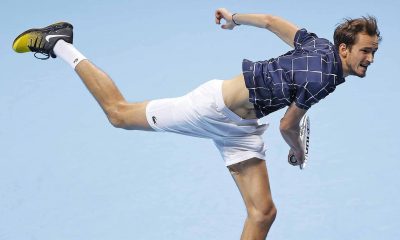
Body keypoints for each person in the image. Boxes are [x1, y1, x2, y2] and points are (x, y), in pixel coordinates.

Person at [12, 7, 381, 240]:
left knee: (263, 213)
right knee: (118, 113)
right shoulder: (323, 80)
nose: (370, 59)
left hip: (243, 130)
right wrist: (297, 153)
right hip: (213, 109)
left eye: (374, 52)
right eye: (366, 51)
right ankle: (60, 43)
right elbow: (288, 125)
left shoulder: (316, 44)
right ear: (344, 49)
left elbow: (271, 22)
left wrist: (233, 18)